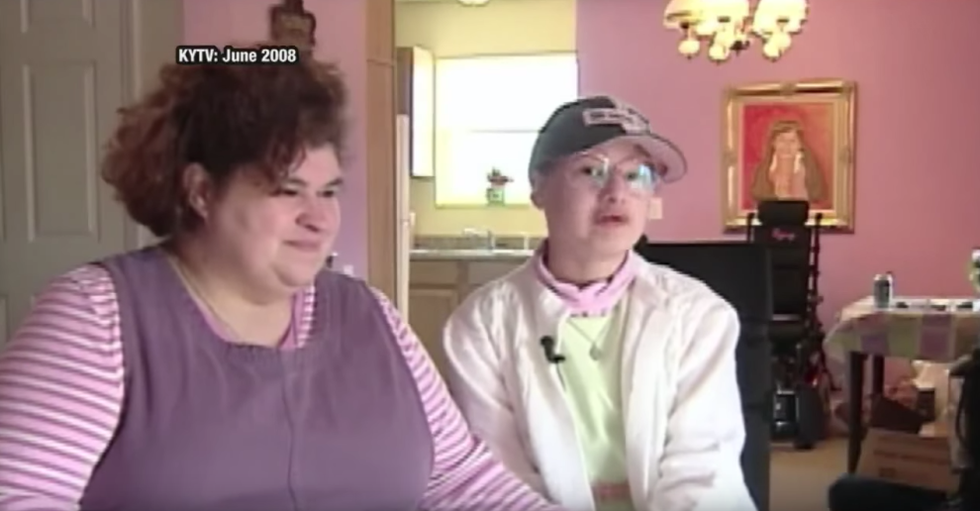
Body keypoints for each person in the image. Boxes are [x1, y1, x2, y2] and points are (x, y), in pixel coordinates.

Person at [0, 46, 564, 511]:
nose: (319, 219)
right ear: (200, 191)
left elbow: (464, 483)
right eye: (287, 191)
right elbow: (21, 495)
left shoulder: (372, 315)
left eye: (329, 192)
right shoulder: (96, 315)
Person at [441, 96, 756, 511]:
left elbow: (704, 475)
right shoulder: (480, 326)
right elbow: (497, 483)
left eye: (636, 174)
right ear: (538, 186)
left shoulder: (700, 315)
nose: (617, 192)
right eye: (591, 170)